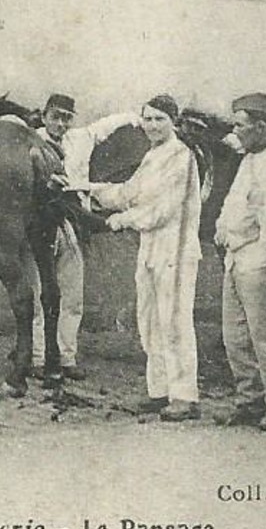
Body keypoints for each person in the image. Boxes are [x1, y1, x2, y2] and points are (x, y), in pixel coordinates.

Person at [86, 94, 203, 422]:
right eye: (148, 119)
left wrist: (124, 220)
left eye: (160, 120)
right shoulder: (152, 157)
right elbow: (127, 193)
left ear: (173, 123)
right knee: (150, 319)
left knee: (175, 320)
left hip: (175, 252)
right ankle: (160, 390)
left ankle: (185, 395)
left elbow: (161, 211)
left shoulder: (182, 157)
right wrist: (86, 189)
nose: (152, 126)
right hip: (150, 250)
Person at [31, 94, 140, 381]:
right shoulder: (29, 140)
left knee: (72, 295)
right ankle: (38, 358)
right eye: (55, 116)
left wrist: (139, 116)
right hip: (39, 226)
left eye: (67, 117)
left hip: (72, 223)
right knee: (38, 295)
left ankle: (67, 357)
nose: (60, 123)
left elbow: (107, 125)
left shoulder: (80, 139)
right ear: (43, 116)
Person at [215, 92, 266, 432]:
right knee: (235, 336)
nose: (235, 132)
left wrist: (263, 262)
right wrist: (222, 229)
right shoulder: (248, 159)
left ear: (262, 128)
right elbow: (235, 203)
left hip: (257, 261)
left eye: (241, 126)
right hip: (235, 257)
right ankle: (249, 400)